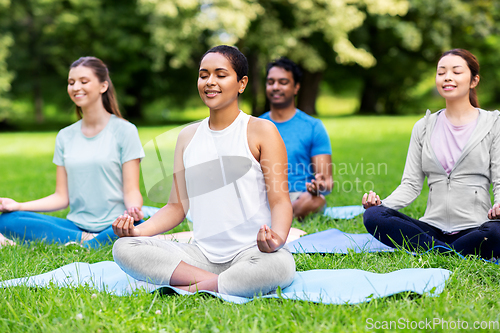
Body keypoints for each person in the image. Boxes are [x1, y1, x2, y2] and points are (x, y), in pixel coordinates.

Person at [112, 45, 296, 297]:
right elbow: (176, 207)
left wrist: (277, 238)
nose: (210, 82)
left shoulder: (261, 131)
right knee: (124, 248)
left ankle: (188, 285)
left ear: (241, 83)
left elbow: (280, 201)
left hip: (253, 252)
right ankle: (220, 283)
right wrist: (137, 231)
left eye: (221, 75)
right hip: (200, 255)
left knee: (280, 267)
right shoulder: (188, 136)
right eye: (203, 75)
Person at [362, 49, 500, 260]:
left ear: (474, 80)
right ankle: (449, 253)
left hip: (478, 228)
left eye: (456, 71)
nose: (447, 77)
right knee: (373, 216)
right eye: (441, 72)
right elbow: (410, 185)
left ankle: (434, 252)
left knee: (496, 232)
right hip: (431, 228)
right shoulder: (423, 127)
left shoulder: (493, 124)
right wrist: (382, 205)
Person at [0, 56, 145, 248]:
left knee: (134, 226)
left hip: (114, 224)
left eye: (83, 81)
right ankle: (89, 241)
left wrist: (133, 210)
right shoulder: (65, 136)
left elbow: (131, 190)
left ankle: (85, 241)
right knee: (8, 220)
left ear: (103, 86)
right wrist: (18, 206)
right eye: (71, 82)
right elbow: (61, 197)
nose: (76, 87)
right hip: (75, 226)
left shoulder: (125, 131)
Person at [260, 57, 333, 219]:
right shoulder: (254, 126)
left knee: (316, 201)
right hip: (262, 198)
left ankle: (278, 218)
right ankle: (278, 217)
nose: (275, 87)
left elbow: (327, 182)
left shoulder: (313, 126)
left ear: (296, 87)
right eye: (270, 82)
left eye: (283, 82)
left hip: (300, 197)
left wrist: (319, 186)